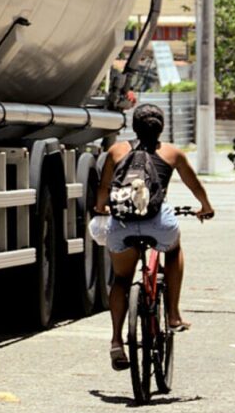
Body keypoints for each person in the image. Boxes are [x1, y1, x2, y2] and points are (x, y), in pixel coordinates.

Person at [91, 103, 214, 370]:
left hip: (122, 225)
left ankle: (116, 341)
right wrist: (206, 207)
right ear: (161, 128)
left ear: (133, 127)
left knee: (121, 279)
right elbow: (194, 184)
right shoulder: (172, 153)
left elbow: (103, 190)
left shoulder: (117, 151)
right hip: (158, 224)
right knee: (173, 249)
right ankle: (173, 314)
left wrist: (101, 208)